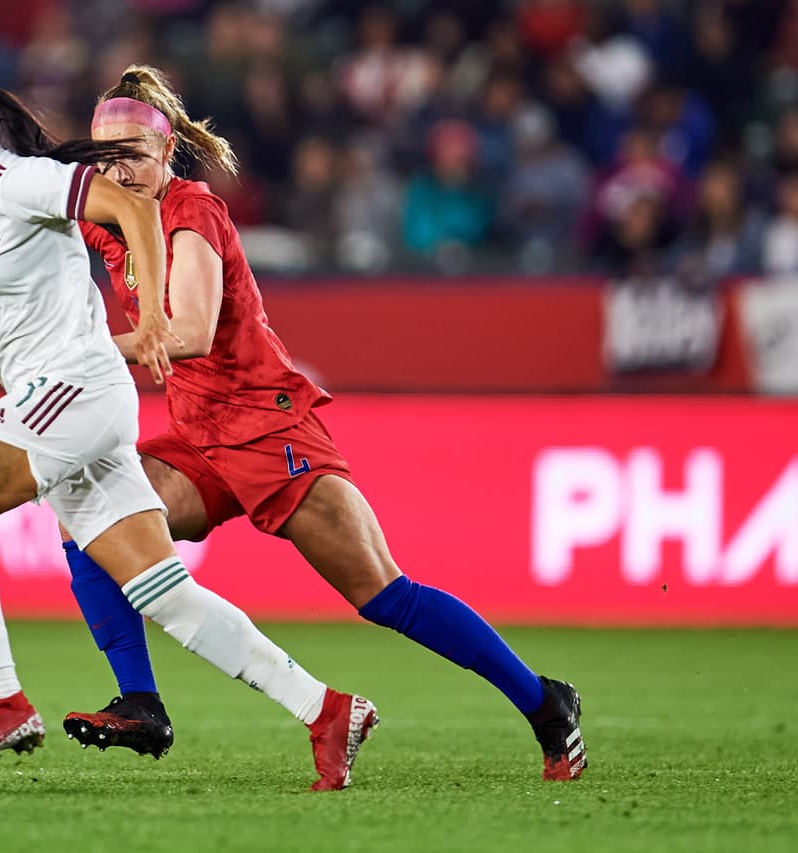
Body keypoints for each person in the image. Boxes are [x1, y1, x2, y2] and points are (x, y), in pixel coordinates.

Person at [0, 61, 376, 793]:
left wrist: (147, 324)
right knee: (164, 591)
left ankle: (3, 699)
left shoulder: (15, 181)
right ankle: (326, 708)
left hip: (76, 384)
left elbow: (135, 211)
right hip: (56, 398)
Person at [59, 66, 587, 782]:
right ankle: (141, 701)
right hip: (199, 435)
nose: (119, 167)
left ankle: (544, 703)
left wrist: (75, 355)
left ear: (167, 154)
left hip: (265, 428)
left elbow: (187, 332)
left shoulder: (193, 211)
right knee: (85, 513)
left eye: (135, 153)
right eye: (104, 155)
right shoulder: (109, 215)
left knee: (385, 594)